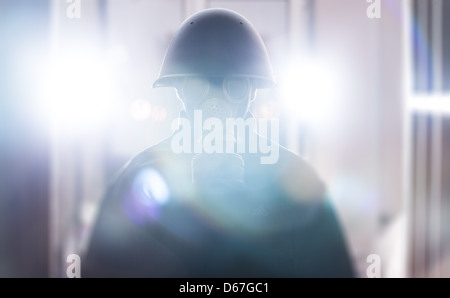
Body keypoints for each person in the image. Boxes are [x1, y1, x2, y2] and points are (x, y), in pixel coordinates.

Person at [83, 8, 355, 278]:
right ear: (180, 92)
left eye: (232, 87)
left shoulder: (296, 186)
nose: (215, 105)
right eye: (198, 87)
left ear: (250, 91)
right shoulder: (140, 180)